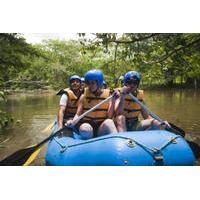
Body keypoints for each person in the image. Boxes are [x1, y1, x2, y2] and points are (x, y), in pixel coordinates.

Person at [66, 69, 118, 139]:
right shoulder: (83, 96)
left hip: (101, 127)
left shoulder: (109, 96)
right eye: (88, 83)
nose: (90, 85)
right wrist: (73, 122)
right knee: (85, 128)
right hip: (88, 125)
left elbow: (109, 116)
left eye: (93, 83)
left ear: (99, 82)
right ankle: (89, 146)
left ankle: (117, 142)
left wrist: (113, 101)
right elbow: (78, 114)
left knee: (109, 122)